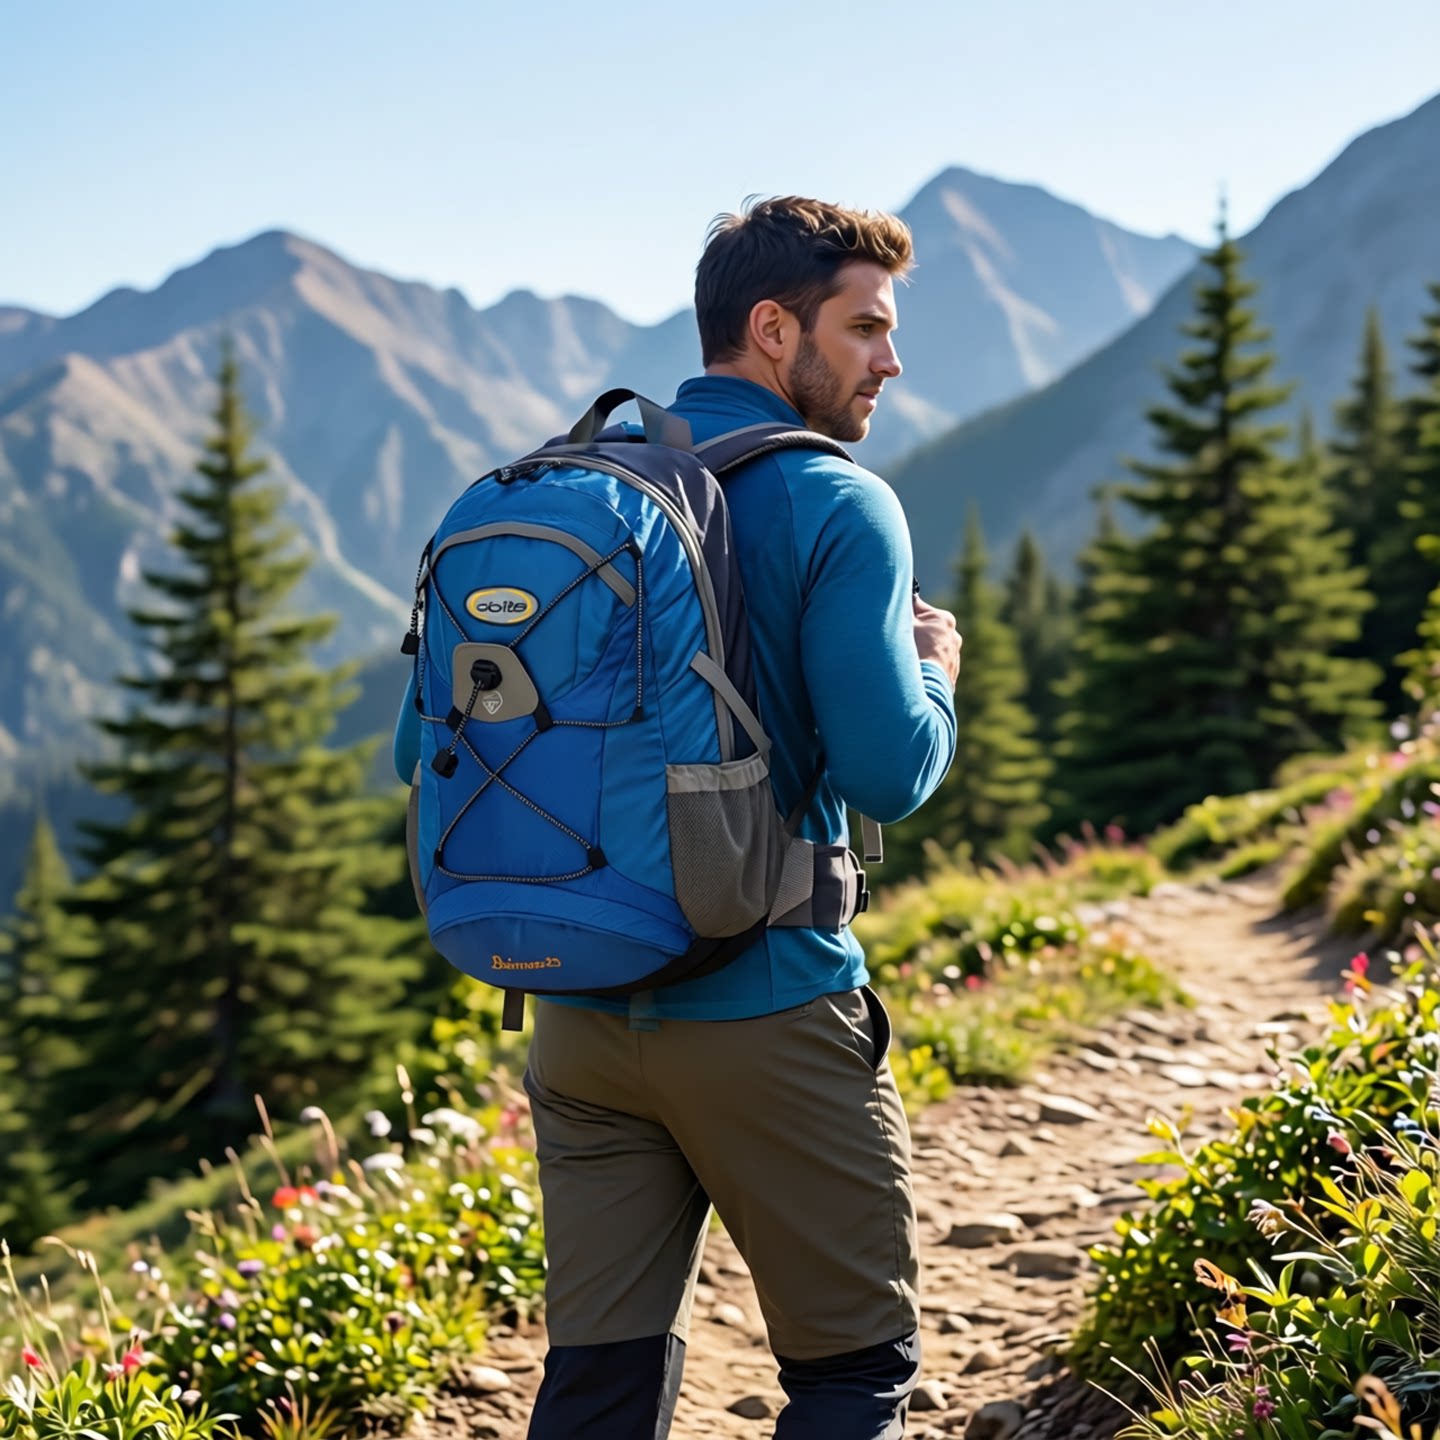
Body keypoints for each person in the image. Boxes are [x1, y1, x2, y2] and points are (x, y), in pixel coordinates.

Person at [399, 196, 960, 1438]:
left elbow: (416, 748)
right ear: (773, 329)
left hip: (579, 1020)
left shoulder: (562, 491)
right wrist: (938, 675)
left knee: (599, 1384)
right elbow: (890, 774)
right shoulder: (837, 501)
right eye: (865, 327)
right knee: (853, 1372)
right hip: (765, 1009)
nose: (891, 360)